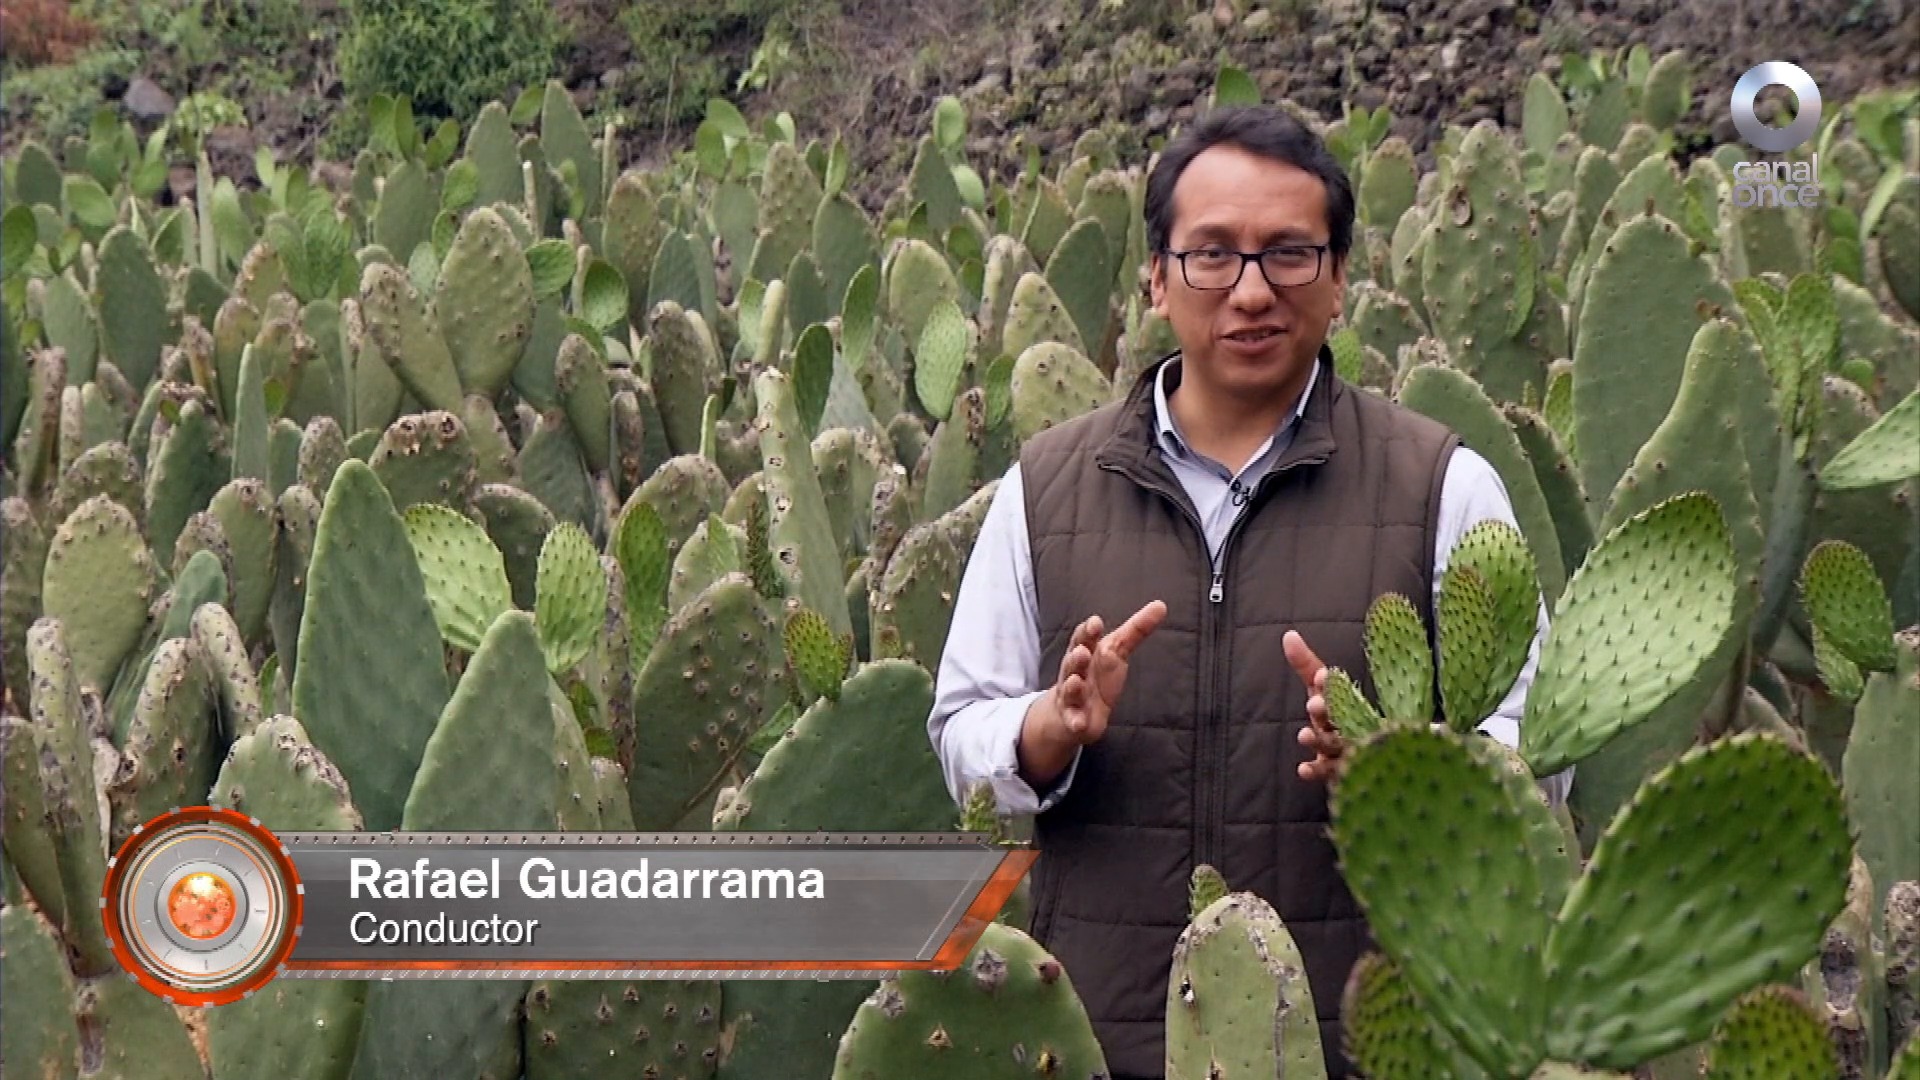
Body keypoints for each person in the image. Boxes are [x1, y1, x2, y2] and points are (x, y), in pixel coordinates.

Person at [928, 104, 1568, 1079]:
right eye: (1214, 254)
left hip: (1357, 1045)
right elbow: (960, 731)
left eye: (1290, 253)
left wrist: (1411, 776)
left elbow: (1544, 748)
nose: (1253, 290)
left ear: (1341, 276)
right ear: (1158, 276)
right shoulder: (1046, 488)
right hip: (1104, 1043)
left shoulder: (1443, 483)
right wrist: (1045, 733)